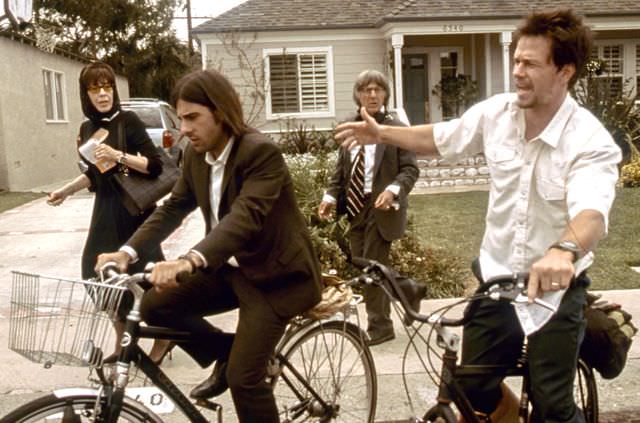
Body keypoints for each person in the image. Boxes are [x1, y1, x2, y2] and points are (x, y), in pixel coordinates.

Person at [335, 9, 621, 422]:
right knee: (470, 390)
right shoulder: (497, 113)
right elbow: (440, 138)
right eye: (516, 61)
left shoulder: (589, 140)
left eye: (530, 64)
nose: (518, 72)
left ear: (564, 72)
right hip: (497, 279)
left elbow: (591, 211)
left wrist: (563, 250)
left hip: (556, 290)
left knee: (552, 405)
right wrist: (382, 133)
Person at [95, 69, 322, 422]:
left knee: (244, 380)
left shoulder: (261, 153)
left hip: (274, 278)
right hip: (229, 271)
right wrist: (127, 252)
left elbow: (244, 218)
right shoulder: (196, 157)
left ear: (220, 112)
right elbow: (172, 208)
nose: (183, 128)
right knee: (155, 305)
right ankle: (227, 351)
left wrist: (189, 260)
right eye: (181, 118)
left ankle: (239, 365)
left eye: (192, 117)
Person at [47, 62, 170, 364]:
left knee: (149, 276)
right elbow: (93, 173)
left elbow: (154, 165)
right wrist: (65, 191)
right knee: (96, 272)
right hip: (105, 209)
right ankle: (123, 341)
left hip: (134, 210)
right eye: (94, 88)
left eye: (107, 87)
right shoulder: (87, 128)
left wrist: (118, 155)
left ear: (113, 90)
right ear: (85, 94)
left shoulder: (128, 121)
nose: (102, 94)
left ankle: (164, 337)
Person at [318, 70, 419, 345]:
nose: (372, 95)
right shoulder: (351, 126)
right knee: (362, 264)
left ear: (385, 94)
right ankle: (410, 290)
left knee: (373, 268)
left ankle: (380, 326)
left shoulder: (395, 128)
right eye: (367, 90)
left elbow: (410, 170)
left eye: (378, 90)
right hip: (355, 207)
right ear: (358, 95)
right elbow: (341, 172)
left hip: (382, 208)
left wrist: (392, 189)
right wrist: (329, 197)